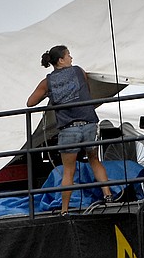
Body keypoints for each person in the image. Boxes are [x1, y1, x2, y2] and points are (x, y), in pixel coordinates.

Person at [27, 45, 114, 214]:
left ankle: (64, 210)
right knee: (94, 160)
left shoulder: (47, 82)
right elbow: (86, 91)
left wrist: (49, 94)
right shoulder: (79, 71)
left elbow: (30, 103)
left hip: (68, 129)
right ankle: (108, 196)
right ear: (61, 60)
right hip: (88, 123)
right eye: (68, 55)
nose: (71, 58)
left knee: (69, 171)